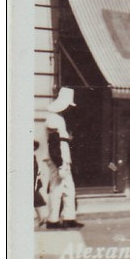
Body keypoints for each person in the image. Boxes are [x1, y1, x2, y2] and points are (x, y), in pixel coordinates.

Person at [45, 88, 83, 229]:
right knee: (57, 189)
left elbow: (60, 140)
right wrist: (59, 163)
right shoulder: (53, 119)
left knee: (69, 189)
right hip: (59, 159)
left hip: (64, 158)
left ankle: (69, 217)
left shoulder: (58, 118)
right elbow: (54, 144)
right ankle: (53, 220)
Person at [34, 140, 47, 226]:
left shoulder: (32, 157)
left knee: (35, 199)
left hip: (33, 181)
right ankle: (40, 218)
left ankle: (40, 218)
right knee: (35, 199)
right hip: (32, 181)